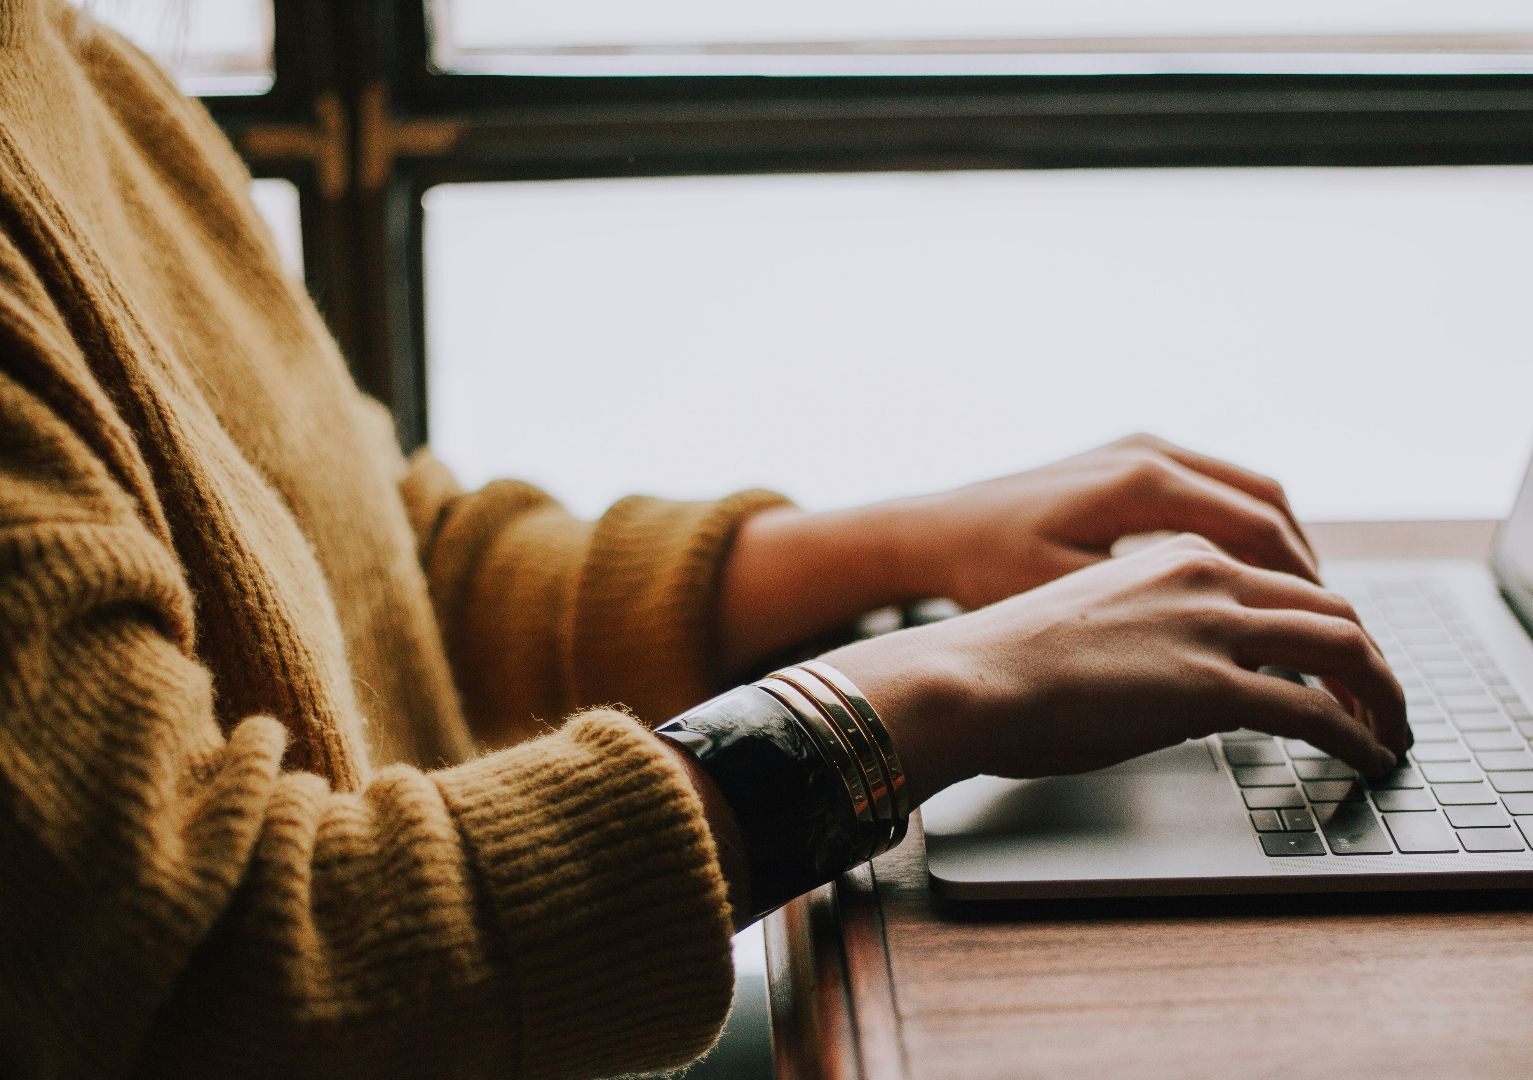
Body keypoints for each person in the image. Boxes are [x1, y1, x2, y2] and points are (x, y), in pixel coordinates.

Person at [0, 2, 1408, 1077]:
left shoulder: (66, 55)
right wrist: (933, 691)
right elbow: (221, 976)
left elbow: (385, 567)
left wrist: (901, 547)